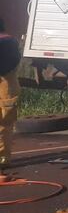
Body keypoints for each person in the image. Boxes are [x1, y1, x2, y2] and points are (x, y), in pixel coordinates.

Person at [0, 18, 21, 172]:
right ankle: (3, 157)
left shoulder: (6, 42)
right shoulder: (10, 41)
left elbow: (7, 64)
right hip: (8, 86)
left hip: (6, 87)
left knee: (4, 123)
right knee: (5, 124)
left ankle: (2, 158)